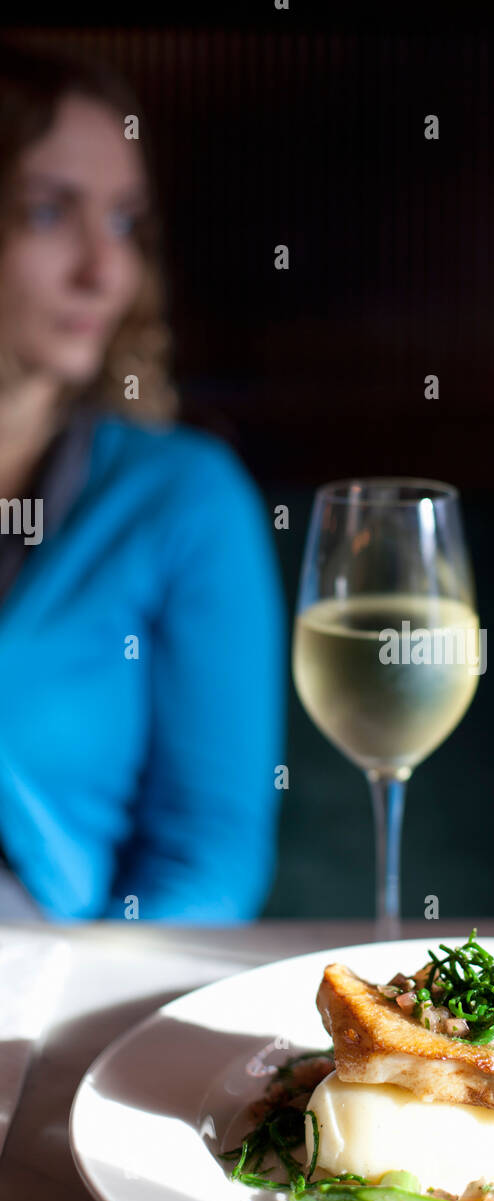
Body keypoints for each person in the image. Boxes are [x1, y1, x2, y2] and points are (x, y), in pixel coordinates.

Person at [0, 41, 285, 922]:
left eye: (125, 222)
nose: (104, 269)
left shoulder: (182, 500)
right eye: (51, 213)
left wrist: (76, 1011)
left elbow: (208, 860)